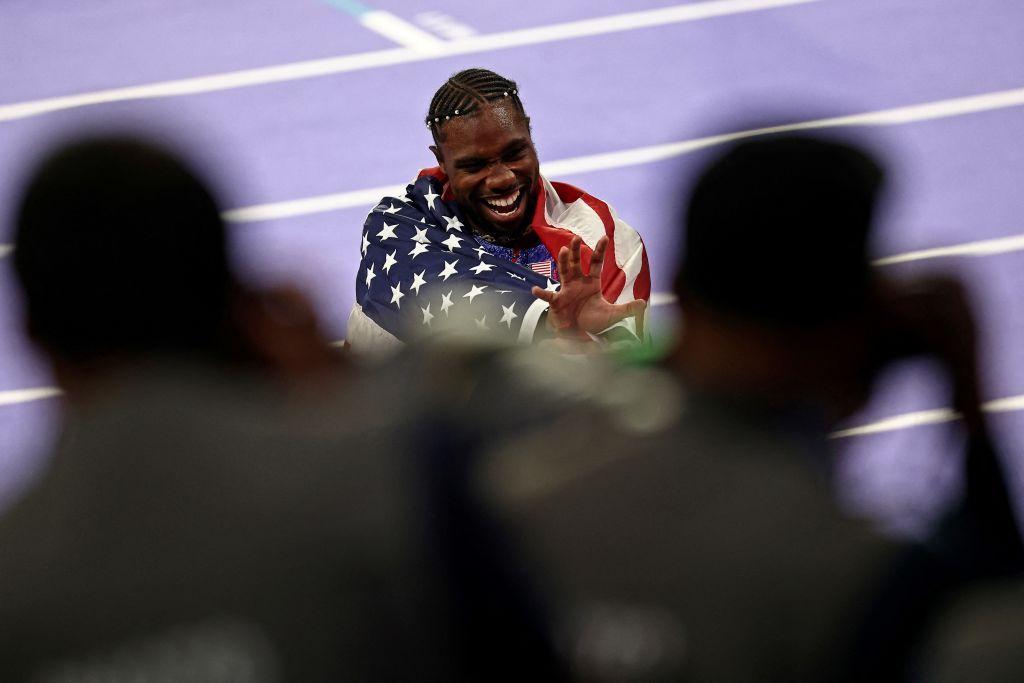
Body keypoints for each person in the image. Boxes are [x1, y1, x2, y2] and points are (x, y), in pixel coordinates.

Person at [473, 134, 1024, 681]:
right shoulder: (868, 583)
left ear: (684, 294)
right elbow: (998, 626)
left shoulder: (495, 482)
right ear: (865, 337)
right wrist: (969, 412)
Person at [3, 135, 525, 681]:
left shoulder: (13, 585)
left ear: (31, 336)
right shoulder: (391, 479)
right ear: (238, 302)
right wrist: (336, 396)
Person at [347, 68, 650, 353]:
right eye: (474, 165)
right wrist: (545, 321)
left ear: (530, 134)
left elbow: (624, 368)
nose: (502, 179)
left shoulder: (600, 239)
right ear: (442, 160)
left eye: (514, 153)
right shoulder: (399, 226)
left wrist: (589, 339)